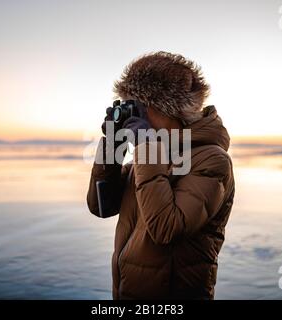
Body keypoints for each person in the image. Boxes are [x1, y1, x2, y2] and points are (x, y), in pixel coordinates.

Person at [87, 51, 235, 299]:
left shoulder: (212, 160)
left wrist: (145, 146)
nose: (135, 117)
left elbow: (166, 228)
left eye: (140, 108)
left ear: (170, 109)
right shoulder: (150, 159)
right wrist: (113, 147)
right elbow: (101, 206)